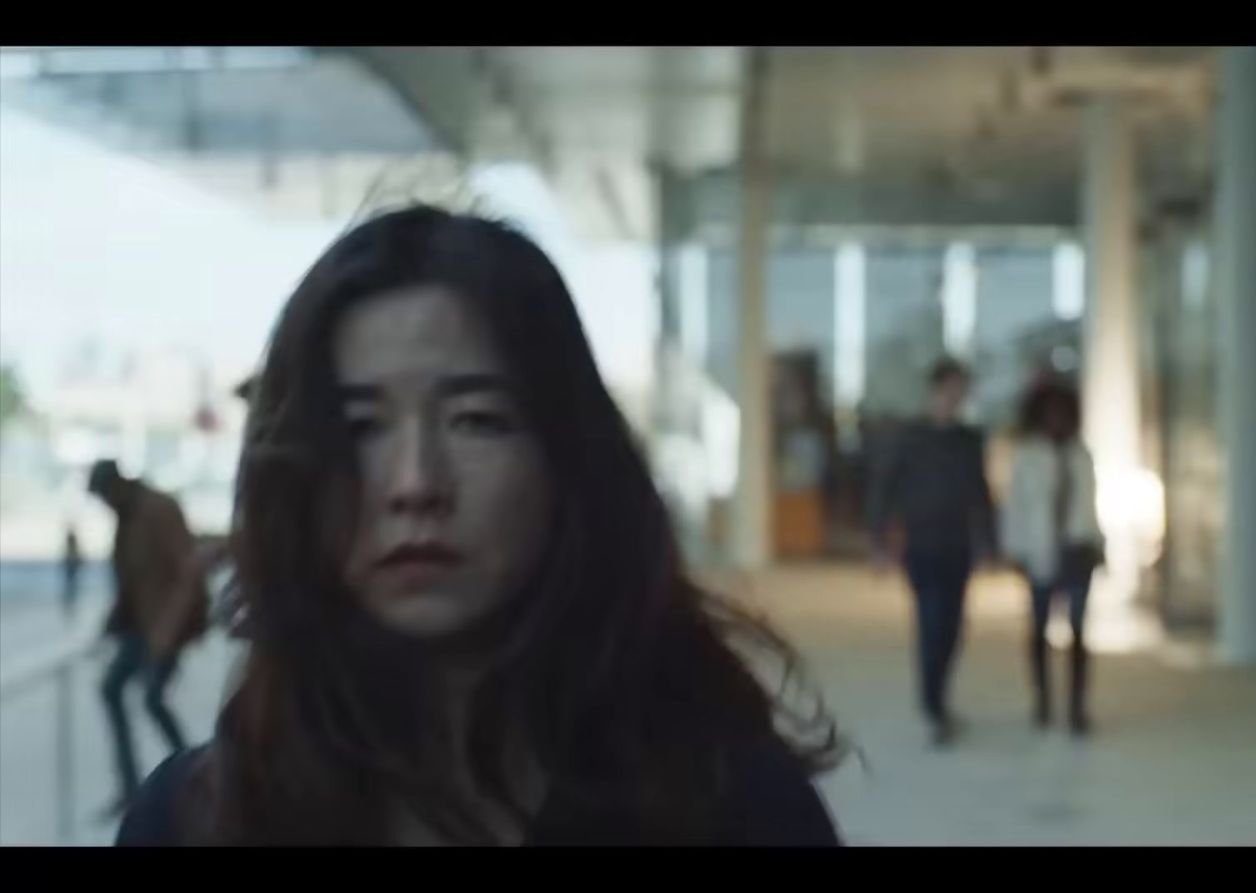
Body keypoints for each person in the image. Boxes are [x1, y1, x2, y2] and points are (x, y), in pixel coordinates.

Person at [115, 205, 844, 847]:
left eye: (477, 420)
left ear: (567, 461)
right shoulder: (195, 822)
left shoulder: (733, 808)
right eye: (359, 426)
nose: (415, 484)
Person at [867, 358, 996, 748]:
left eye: (962, 389)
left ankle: (939, 698)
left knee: (953, 627)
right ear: (937, 389)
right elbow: (883, 489)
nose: (957, 396)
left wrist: (988, 542)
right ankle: (932, 706)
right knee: (931, 621)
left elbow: (980, 493)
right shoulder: (910, 437)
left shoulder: (969, 440)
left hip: (958, 545)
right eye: (952, 388)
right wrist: (878, 542)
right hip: (921, 545)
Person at [87, 458, 210, 817]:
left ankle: (194, 777)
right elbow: (130, 582)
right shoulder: (125, 519)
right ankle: (129, 787)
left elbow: (187, 575)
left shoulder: (159, 509)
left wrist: (167, 635)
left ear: (117, 486)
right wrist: (112, 622)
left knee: (153, 698)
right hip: (141, 628)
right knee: (112, 690)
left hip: (166, 627)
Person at [1000, 379, 1102, 736]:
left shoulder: (1080, 454)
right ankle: (1043, 700)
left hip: (1077, 550)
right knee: (1039, 628)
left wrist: (1097, 543)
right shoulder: (1028, 456)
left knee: (1078, 630)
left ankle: (1077, 705)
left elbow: (1090, 505)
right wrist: (1015, 549)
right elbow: (1016, 506)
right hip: (1040, 550)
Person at [62, 526, 82, 619]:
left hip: (71, 563)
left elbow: (74, 551)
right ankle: (70, 598)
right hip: (71, 563)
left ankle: (71, 598)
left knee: (71, 582)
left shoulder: (71, 539)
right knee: (71, 582)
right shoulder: (71, 539)